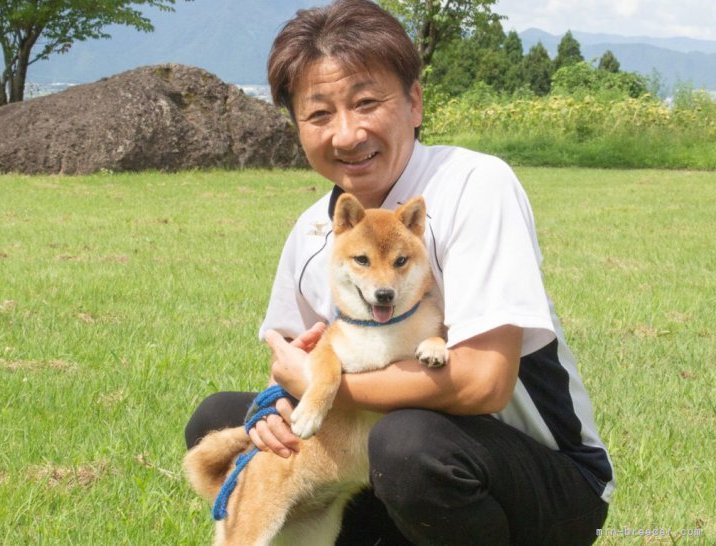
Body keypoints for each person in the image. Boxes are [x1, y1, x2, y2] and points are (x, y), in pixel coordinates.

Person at [184, 0, 615, 544]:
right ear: (297, 127)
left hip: (538, 476)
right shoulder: (316, 232)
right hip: (384, 463)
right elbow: (292, 360)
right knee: (220, 418)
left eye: (366, 102)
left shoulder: (475, 185)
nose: (346, 134)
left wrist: (324, 389)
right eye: (319, 114)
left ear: (414, 101)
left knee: (409, 445)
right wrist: (275, 405)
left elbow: (485, 382)